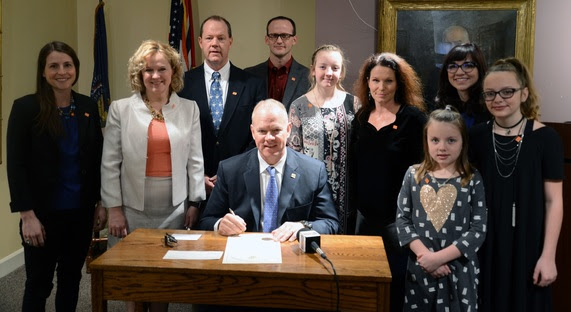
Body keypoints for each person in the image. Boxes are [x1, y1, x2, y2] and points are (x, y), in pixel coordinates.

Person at [101, 40, 205, 312]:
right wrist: (113, 209)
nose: (155, 76)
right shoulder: (120, 109)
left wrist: (194, 203)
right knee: (133, 278)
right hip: (131, 209)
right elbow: (110, 163)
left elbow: (195, 160)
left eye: (162, 69)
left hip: (174, 209)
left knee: (164, 276)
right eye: (148, 70)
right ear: (139, 74)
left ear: (174, 73)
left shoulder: (189, 109)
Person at [6, 41, 106, 311]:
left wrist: (100, 202)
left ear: (76, 69)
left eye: (67, 65)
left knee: (71, 279)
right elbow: (16, 166)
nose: (62, 72)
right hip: (41, 215)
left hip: (80, 213)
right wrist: (27, 215)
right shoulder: (26, 109)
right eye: (54, 66)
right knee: (38, 283)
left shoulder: (86, 106)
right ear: (43, 71)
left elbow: (96, 158)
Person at [470, 58, 564, 312]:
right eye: (490, 93)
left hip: (529, 244)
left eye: (507, 91)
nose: (498, 98)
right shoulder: (476, 136)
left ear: (524, 93)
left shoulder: (546, 138)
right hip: (486, 242)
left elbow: (553, 201)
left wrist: (548, 256)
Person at [349, 52, 426, 312]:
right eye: (375, 81)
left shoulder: (413, 119)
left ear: (399, 84)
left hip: (399, 220)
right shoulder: (360, 119)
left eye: (388, 81)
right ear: (367, 83)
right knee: (364, 286)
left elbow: (423, 172)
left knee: (397, 286)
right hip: (363, 218)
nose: (381, 88)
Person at [198, 99, 339, 241]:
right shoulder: (229, 170)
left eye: (276, 130)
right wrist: (220, 224)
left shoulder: (313, 171)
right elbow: (206, 220)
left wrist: (302, 226)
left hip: (292, 253)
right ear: (253, 132)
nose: (269, 138)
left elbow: (330, 223)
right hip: (244, 254)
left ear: (288, 130)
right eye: (262, 131)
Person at [396, 106, 487, 311]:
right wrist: (425, 257)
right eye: (435, 140)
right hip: (421, 270)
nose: (442, 147)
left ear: (463, 141)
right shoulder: (413, 175)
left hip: (459, 271)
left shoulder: (472, 179)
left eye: (451, 140)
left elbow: (478, 230)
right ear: (426, 141)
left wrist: (438, 259)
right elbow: (403, 221)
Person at [179, 15, 266, 204]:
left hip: (240, 184)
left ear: (230, 42)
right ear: (201, 42)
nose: (215, 43)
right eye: (209, 38)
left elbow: (258, 136)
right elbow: (177, 134)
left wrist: (234, 170)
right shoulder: (182, 84)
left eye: (221, 38)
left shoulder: (252, 84)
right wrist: (195, 176)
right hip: (194, 187)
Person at [287, 44, 359, 234]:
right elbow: (293, 154)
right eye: (323, 67)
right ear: (313, 70)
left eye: (335, 68)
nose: (329, 73)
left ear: (341, 72)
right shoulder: (298, 106)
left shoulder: (355, 104)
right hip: (312, 191)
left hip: (348, 193)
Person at [245, 16, 310, 111]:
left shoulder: (308, 77)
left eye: (285, 36)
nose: (279, 41)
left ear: (294, 40)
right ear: (266, 40)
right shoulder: (249, 75)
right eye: (274, 36)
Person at [435, 43, 490, 129]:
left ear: (480, 69)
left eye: (468, 65)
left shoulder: (490, 106)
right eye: (453, 66)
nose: (459, 72)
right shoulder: (441, 107)